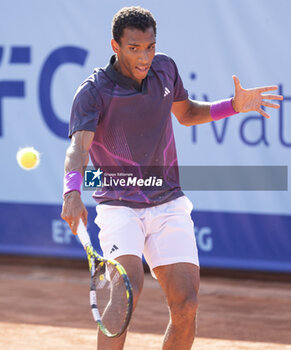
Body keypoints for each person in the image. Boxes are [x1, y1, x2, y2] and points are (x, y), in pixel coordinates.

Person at [61, 6, 283, 350]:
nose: (144, 56)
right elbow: (79, 148)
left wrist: (233, 106)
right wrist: (71, 193)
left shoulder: (165, 69)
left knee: (187, 305)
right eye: (134, 48)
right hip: (119, 205)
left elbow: (188, 113)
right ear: (115, 46)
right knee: (125, 291)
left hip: (169, 203)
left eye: (149, 46)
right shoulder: (93, 92)